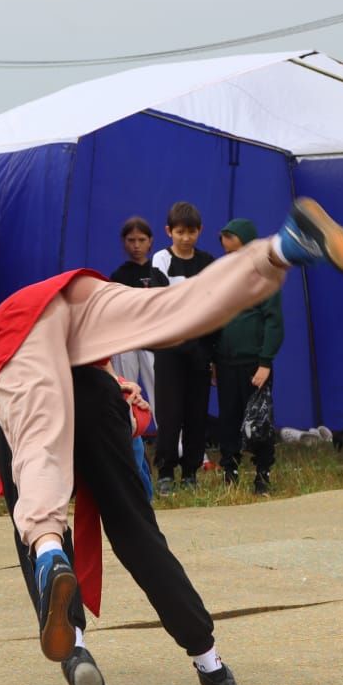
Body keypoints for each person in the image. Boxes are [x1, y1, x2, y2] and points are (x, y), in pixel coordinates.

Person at [0, 198, 343, 685]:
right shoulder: (10, 367)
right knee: (170, 318)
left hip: (19, 343)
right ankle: (213, 669)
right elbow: (117, 398)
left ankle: (73, 637)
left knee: (38, 494)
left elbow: (37, 441)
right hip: (75, 300)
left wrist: (45, 533)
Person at [149, 201, 216, 493]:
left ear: (200, 231)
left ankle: (190, 473)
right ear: (169, 231)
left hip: (200, 349)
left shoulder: (208, 262)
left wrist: (209, 351)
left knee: (196, 413)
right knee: (169, 413)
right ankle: (165, 472)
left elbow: (213, 303)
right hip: (169, 349)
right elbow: (162, 302)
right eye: (180, 232)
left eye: (191, 232)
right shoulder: (161, 260)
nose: (186, 237)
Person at [213, 218, 283, 495]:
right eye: (227, 252)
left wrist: (265, 362)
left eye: (237, 251)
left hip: (254, 364)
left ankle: (262, 472)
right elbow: (215, 319)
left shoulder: (266, 278)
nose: (232, 257)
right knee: (228, 418)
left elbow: (274, 323)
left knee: (258, 421)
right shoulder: (222, 278)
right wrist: (214, 361)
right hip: (225, 363)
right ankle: (229, 470)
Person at [108, 216, 169, 406]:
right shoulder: (119, 275)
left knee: (161, 393)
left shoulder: (158, 271)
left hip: (154, 340)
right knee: (128, 390)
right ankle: (130, 435)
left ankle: (170, 436)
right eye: (131, 240)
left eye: (141, 240)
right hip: (127, 341)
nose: (136, 245)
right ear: (123, 243)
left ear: (150, 241)